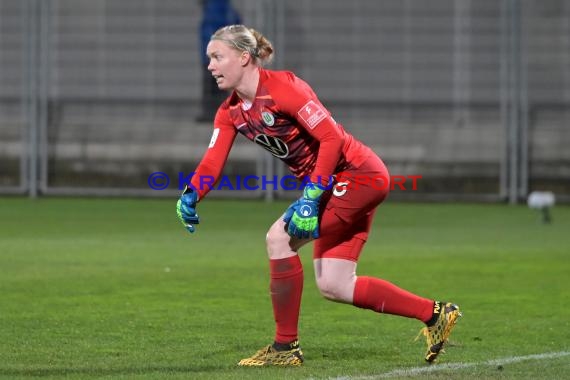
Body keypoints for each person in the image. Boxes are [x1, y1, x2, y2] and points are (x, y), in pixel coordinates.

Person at [177, 25, 462, 366]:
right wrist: (192, 192)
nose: (209, 65)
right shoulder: (230, 112)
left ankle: (285, 349)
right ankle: (435, 314)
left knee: (278, 239)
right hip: (335, 186)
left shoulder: (284, 87)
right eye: (209, 58)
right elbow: (212, 160)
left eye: (216, 56)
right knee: (335, 284)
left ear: (244, 57)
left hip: (358, 176)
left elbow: (331, 139)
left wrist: (311, 196)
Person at [196, 0, 242, 122]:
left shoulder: (214, 7)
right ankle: (220, 113)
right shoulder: (224, 7)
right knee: (220, 84)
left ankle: (215, 114)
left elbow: (211, 31)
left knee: (214, 84)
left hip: (213, 54)